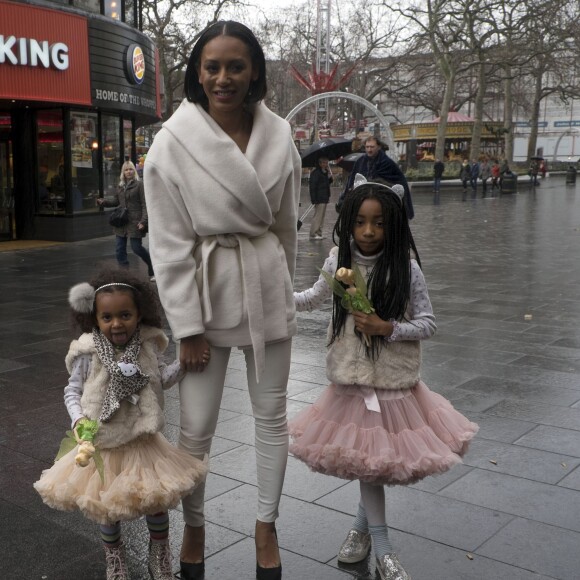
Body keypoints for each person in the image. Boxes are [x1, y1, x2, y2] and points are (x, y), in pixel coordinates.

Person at [143, 20, 301, 580]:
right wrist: (186, 326)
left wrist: (282, 283)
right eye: (212, 66)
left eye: (236, 66)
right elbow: (167, 245)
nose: (223, 77)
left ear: (254, 70)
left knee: (272, 418)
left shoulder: (281, 134)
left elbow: (286, 227)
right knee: (196, 428)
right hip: (204, 303)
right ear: (197, 71)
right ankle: (195, 525)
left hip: (265, 291)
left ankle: (266, 525)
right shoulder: (171, 142)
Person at [289, 176, 478, 580]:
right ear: (348, 223)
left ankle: (369, 536)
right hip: (350, 383)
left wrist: (386, 327)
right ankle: (379, 544)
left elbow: (427, 323)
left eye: (378, 222)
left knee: (370, 465)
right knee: (368, 465)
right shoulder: (338, 260)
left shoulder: (406, 268)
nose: (369, 231)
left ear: (394, 224)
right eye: (359, 221)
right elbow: (311, 298)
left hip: (391, 386)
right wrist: (271, 296)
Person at [34, 267, 207, 580]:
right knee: (105, 505)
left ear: (140, 314)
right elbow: (72, 391)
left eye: (125, 314)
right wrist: (78, 420)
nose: (117, 323)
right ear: (95, 319)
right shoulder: (87, 352)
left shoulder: (149, 345)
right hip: (104, 441)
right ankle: (114, 558)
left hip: (143, 441)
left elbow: (161, 379)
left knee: (155, 501)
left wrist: (183, 364)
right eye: (107, 317)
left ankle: (160, 554)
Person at [98, 161, 155, 281]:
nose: (128, 172)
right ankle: (125, 275)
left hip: (135, 221)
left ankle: (152, 266)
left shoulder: (139, 185)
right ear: (123, 172)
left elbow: (145, 204)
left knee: (136, 248)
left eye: (130, 169)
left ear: (134, 171)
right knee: (119, 250)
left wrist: (143, 221)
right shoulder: (120, 186)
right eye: (126, 170)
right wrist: (104, 202)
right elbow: (116, 201)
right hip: (121, 221)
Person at [339, 136, 414, 219]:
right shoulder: (360, 161)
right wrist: (346, 197)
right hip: (362, 198)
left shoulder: (386, 162)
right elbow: (352, 179)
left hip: (383, 201)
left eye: (372, 147)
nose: (369, 150)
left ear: (378, 147)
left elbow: (397, 181)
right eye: (367, 147)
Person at [309, 156, 333, 240]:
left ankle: (319, 232)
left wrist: (329, 176)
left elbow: (328, 182)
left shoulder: (324, 172)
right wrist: (313, 199)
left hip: (325, 196)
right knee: (318, 216)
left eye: (326, 163)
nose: (325, 164)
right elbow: (313, 186)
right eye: (324, 163)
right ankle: (313, 233)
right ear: (320, 163)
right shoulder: (316, 173)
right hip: (319, 197)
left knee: (321, 216)